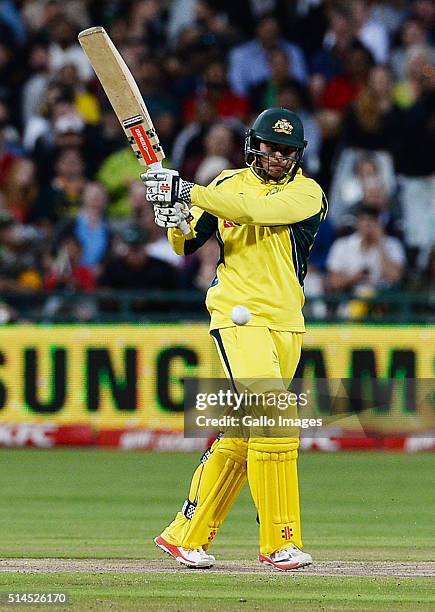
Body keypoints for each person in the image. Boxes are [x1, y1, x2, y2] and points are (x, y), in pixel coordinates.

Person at [142, 107, 328, 570]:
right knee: (274, 419)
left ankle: (187, 535)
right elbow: (186, 244)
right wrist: (175, 215)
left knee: (246, 434)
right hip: (237, 316)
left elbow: (258, 211)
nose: (278, 157)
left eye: (287, 151)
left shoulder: (308, 193)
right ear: (253, 145)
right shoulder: (224, 184)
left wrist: (186, 189)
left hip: (287, 321)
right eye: (270, 148)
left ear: (298, 154)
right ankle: (279, 542)